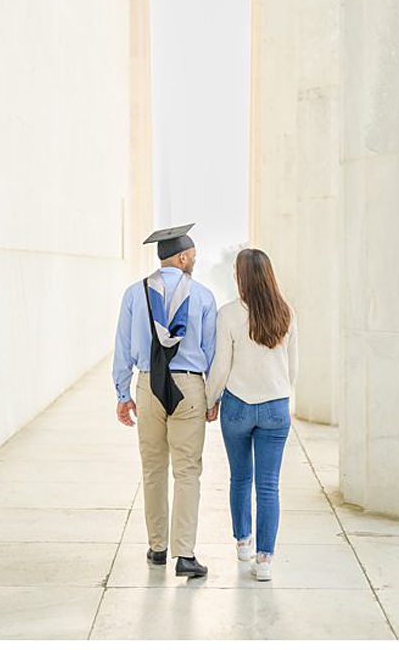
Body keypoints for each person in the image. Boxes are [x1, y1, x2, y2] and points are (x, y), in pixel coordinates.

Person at [113, 224, 219, 580]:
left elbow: (123, 347)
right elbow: (211, 352)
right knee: (187, 470)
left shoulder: (134, 294)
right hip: (189, 387)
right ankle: (184, 554)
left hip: (148, 386)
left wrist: (123, 394)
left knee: (153, 469)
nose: (194, 261)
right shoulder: (202, 296)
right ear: (184, 256)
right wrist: (212, 397)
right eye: (193, 256)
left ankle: (157, 547)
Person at [210, 246, 298, 582]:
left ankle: (244, 543)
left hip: (237, 407)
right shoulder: (287, 312)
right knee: (269, 485)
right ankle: (265, 561)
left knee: (240, 478)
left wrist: (210, 400)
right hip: (276, 407)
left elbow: (220, 367)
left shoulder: (229, 314)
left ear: (241, 277)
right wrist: (277, 393)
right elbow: (293, 368)